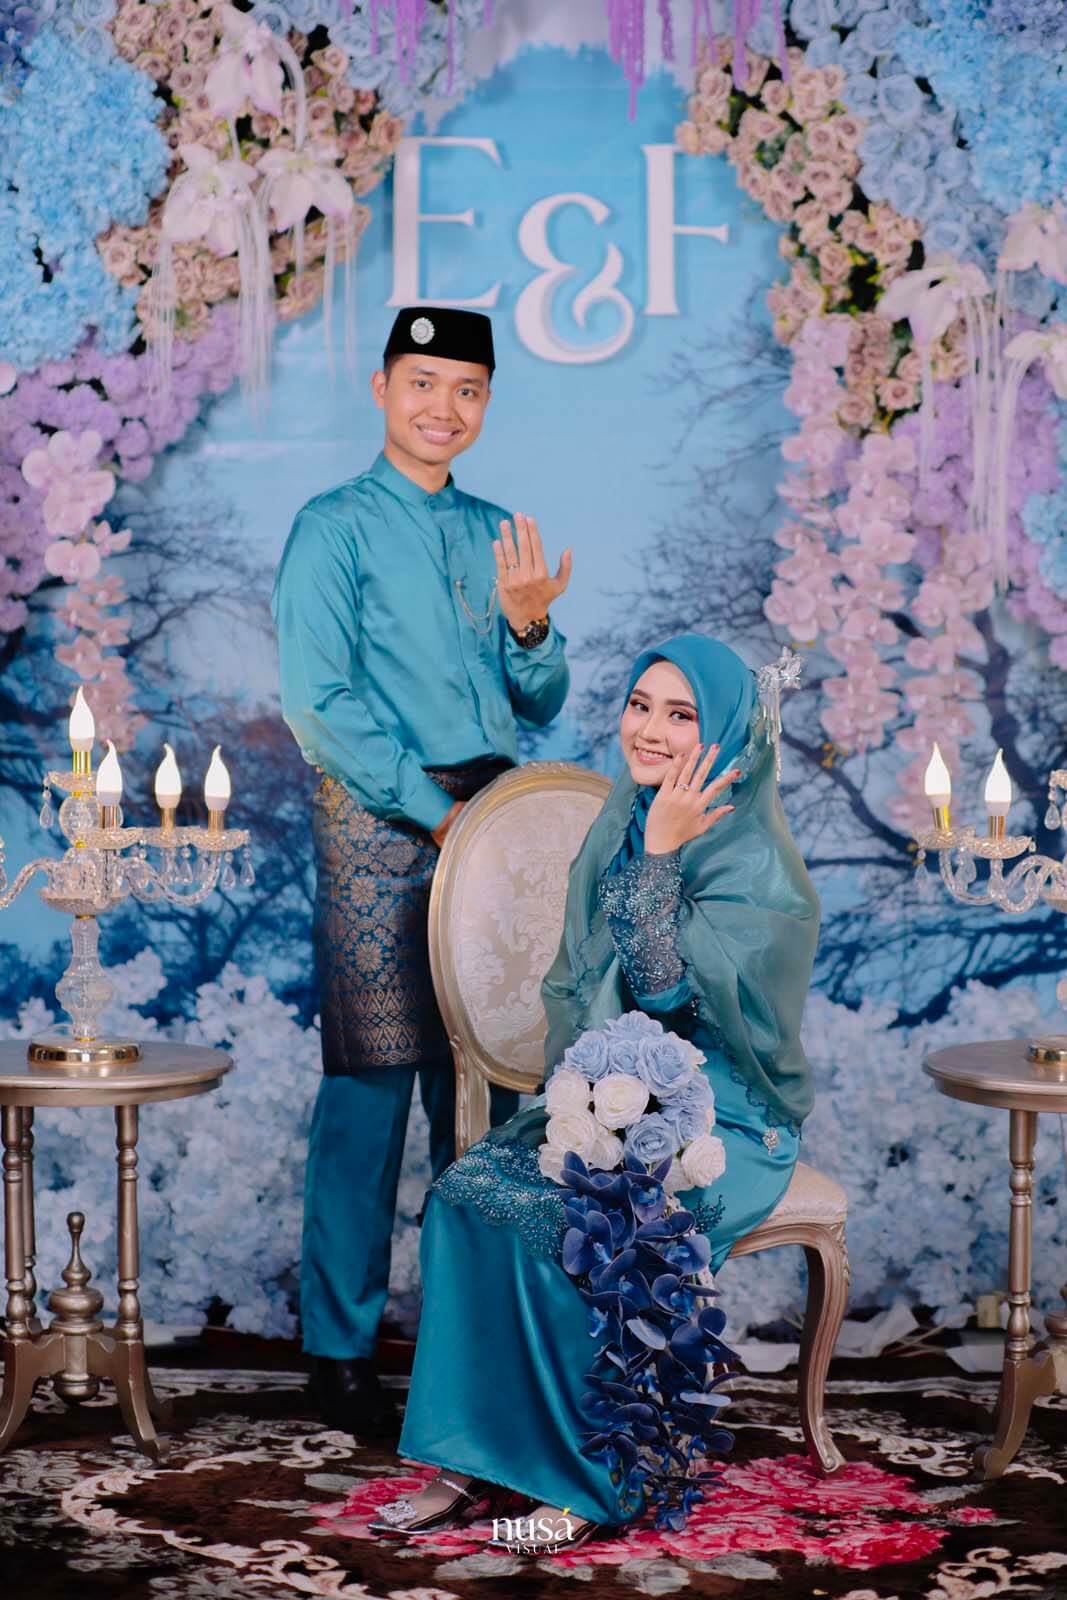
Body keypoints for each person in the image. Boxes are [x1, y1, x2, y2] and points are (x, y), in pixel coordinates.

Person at [370, 634, 820, 1548]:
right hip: (610, 1092)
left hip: (722, 1120)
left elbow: (673, 998)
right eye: (639, 705)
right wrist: (582, 1094)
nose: (648, 730)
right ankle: (475, 1458)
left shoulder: (758, 867)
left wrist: (659, 858)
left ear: (727, 734)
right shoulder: (623, 821)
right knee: (464, 1200)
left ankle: (586, 1484)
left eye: (680, 714)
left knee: (578, 1234)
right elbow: (583, 988)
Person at [271, 306, 573, 1437]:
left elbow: (540, 702)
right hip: (376, 818)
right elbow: (317, 701)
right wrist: (432, 812)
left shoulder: (497, 531)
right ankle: (339, 1354)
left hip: (492, 814)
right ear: (381, 387)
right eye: (423, 383)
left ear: (485, 403)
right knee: (370, 1086)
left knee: (490, 1083)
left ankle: (473, 1340)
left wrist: (531, 630)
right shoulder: (332, 528)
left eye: (467, 389)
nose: (444, 408)